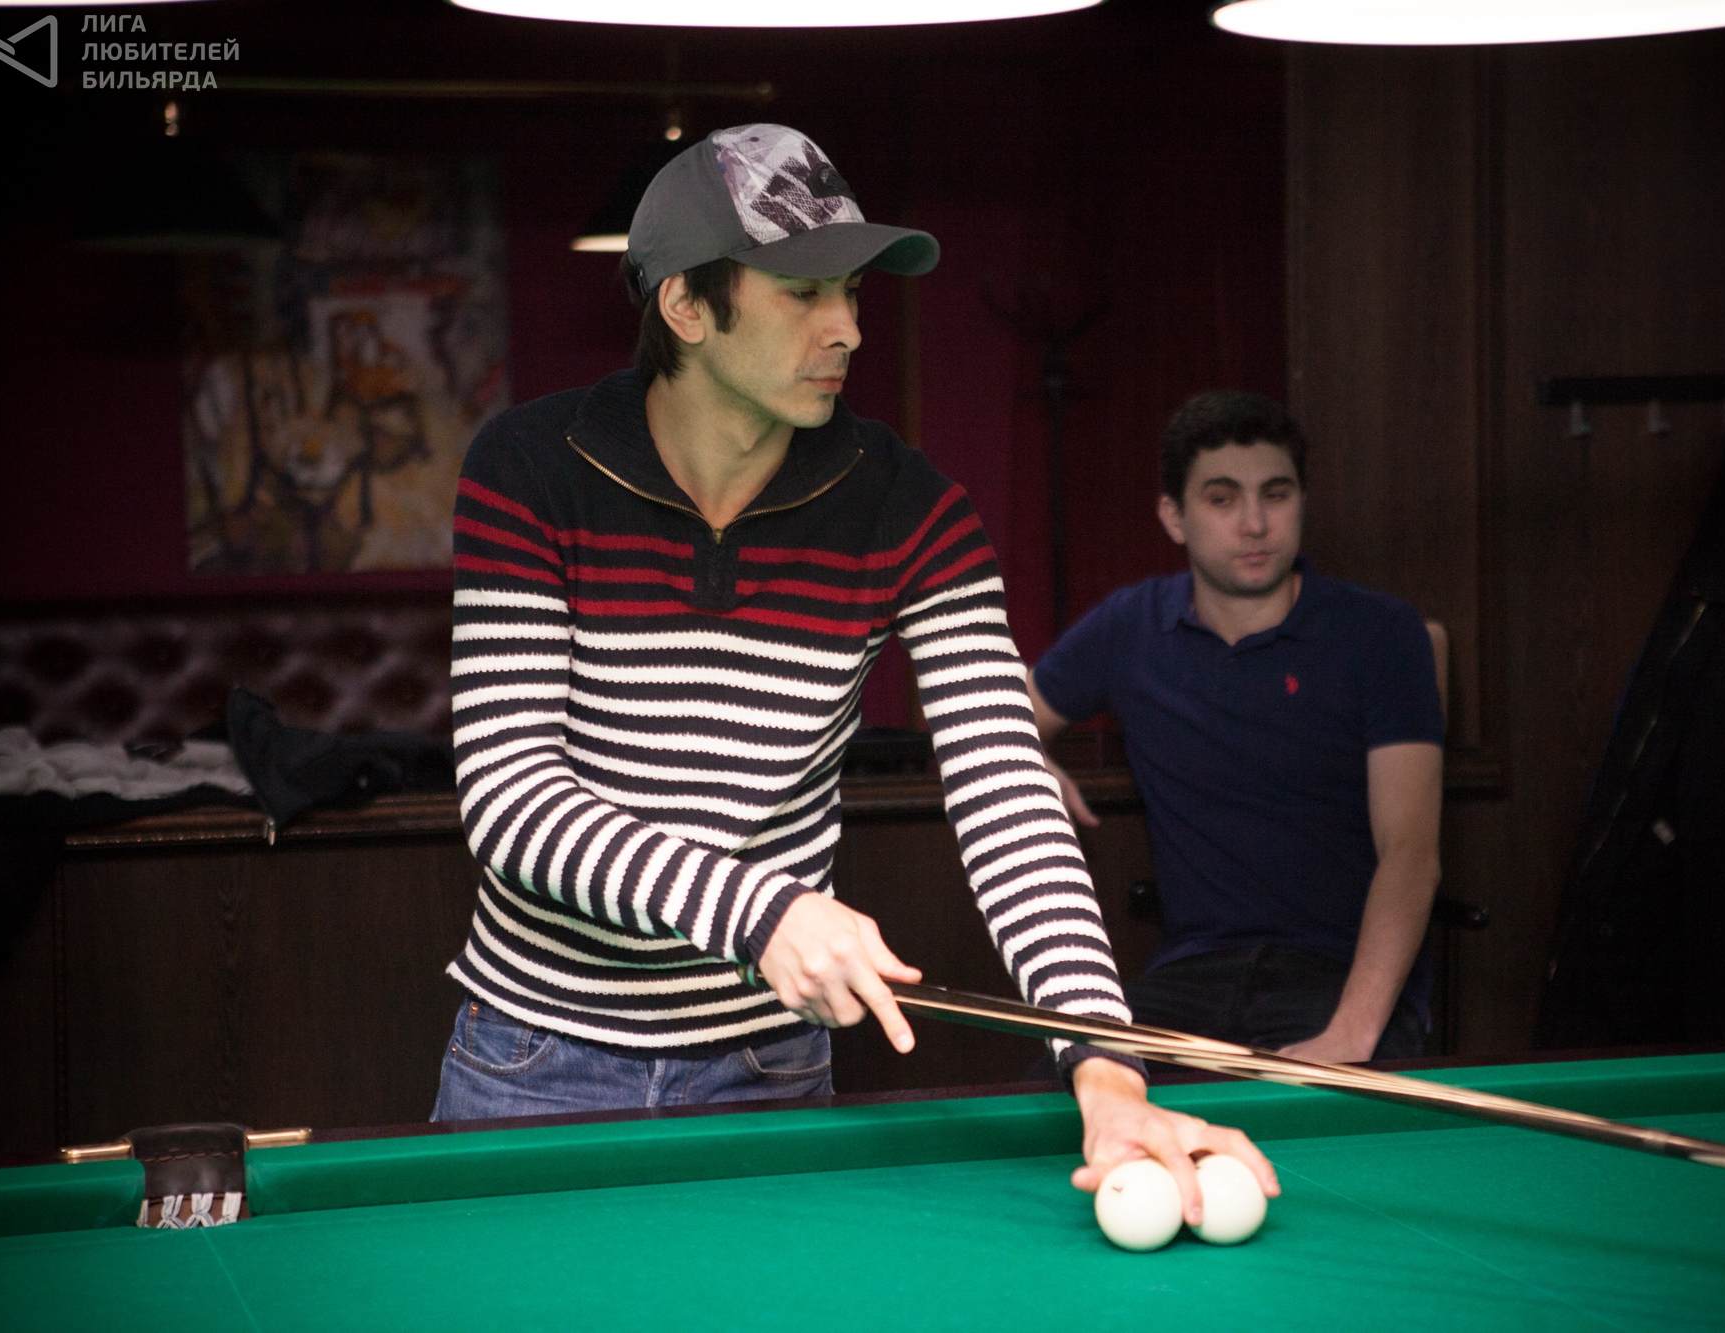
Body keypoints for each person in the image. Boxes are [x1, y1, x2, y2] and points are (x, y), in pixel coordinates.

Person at [430, 124, 1275, 1219]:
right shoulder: (530, 471)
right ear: (686, 306)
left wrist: (1105, 1063)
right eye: (802, 293)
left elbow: (1006, 793)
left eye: (853, 292)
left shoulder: (910, 509)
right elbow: (509, 797)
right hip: (534, 1062)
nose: (848, 328)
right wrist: (759, 911)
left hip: (766, 1068)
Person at [1030, 391, 1445, 1064]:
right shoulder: (1131, 626)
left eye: (1275, 494)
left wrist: (1350, 1034)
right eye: (1222, 499)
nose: (1254, 524)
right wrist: (1028, 760)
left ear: (1302, 501)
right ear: (1174, 517)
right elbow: (990, 719)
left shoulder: (1382, 633)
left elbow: (1412, 854)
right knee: (1068, 1084)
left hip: (1338, 977)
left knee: (1321, 1123)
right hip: (1190, 975)